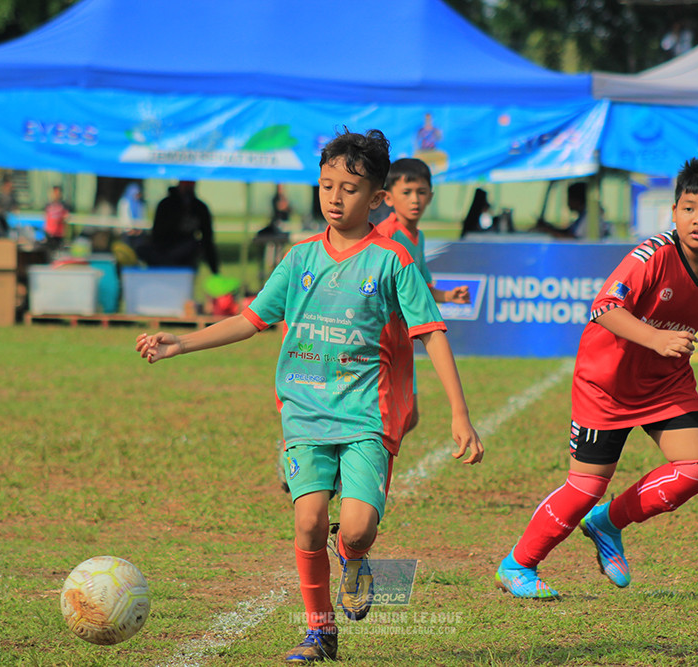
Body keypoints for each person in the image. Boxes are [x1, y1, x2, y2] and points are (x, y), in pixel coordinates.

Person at [136, 128, 484, 664]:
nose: (334, 197)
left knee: (360, 526)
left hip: (366, 415)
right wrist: (181, 342)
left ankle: (353, 556)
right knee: (307, 519)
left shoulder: (393, 260)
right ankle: (320, 633)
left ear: (376, 198)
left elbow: (432, 332)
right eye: (326, 186)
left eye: (349, 188)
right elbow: (251, 319)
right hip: (304, 414)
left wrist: (459, 413)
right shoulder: (299, 259)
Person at [494, 157, 698, 600]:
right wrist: (655, 338)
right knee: (585, 487)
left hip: (665, 383)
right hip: (605, 384)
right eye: (689, 208)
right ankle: (518, 565)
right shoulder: (650, 257)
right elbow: (603, 307)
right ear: (673, 211)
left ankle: (608, 522)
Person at [376, 157, 470, 433]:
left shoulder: (418, 237)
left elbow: (421, 290)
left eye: (421, 192)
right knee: (376, 420)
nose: (414, 199)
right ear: (388, 198)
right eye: (406, 192)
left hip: (402, 340)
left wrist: (448, 296)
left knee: (408, 417)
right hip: (378, 339)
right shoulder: (385, 236)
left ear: (431, 196)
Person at [139, 180, 219, 274]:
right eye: (185, 183)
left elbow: (207, 239)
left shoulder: (199, 208)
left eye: (191, 183)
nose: (188, 187)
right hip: (163, 252)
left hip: (185, 257)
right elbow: (157, 235)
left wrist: (214, 270)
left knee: (193, 243)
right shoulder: (166, 205)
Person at [534, 181, 608, 239]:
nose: (567, 202)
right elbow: (568, 232)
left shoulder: (589, 217)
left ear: (577, 200)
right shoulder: (582, 217)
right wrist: (549, 228)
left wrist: (549, 231)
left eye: (569, 198)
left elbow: (574, 240)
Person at [43, 185, 71, 254]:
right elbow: (45, 217)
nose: (55, 195)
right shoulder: (48, 205)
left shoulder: (64, 206)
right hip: (49, 234)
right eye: (54, 193)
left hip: (59, 234)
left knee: (58, 252)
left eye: (57, 193)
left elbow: (66, 218)